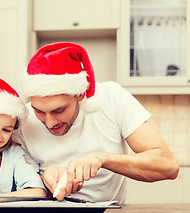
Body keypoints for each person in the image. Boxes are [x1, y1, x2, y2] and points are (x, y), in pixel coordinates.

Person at [13, 42, 179, 204]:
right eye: (39, 111)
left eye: (59, 110)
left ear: (80, 94)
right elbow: (19, 187)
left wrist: (102, 159)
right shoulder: (24, 120)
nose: (49, 123)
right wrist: (44, 179)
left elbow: (168, 166)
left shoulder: (112, 97)